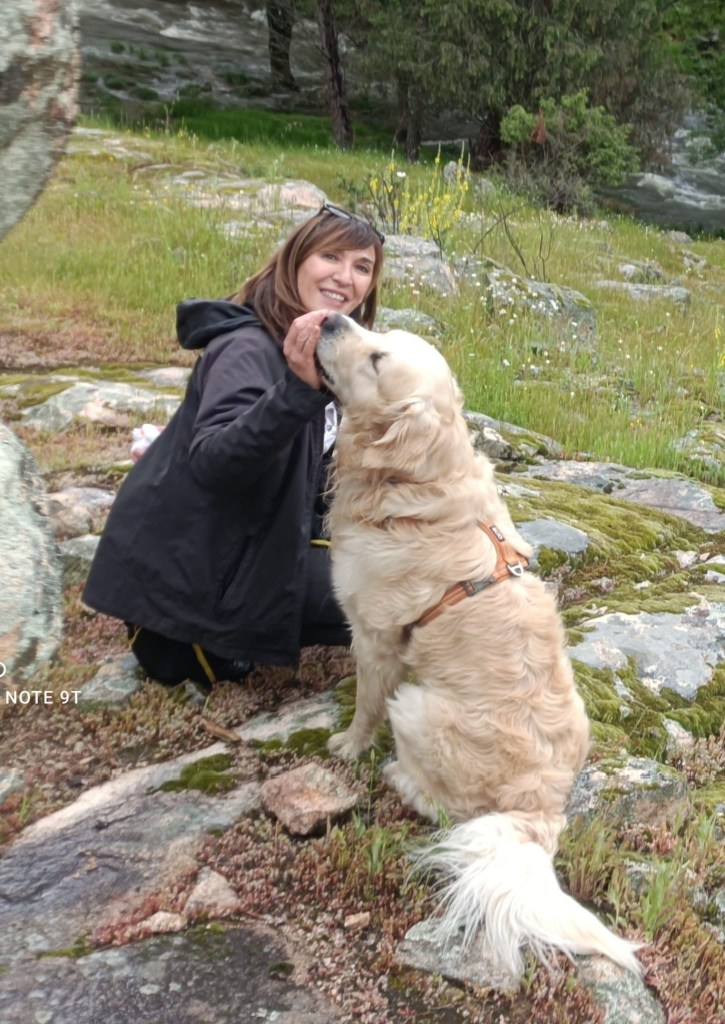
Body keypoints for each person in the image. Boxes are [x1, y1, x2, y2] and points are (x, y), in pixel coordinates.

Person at [82, 203, 385, 688]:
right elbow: (214, 463)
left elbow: (307, 481)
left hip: (245, 555)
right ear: (296, 260)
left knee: (406, 564)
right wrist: (296, 393)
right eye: (331, 257)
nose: (345, 277)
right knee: (403, 595)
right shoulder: (248, 347)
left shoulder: (317, 355)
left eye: (362, 267)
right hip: (196, 595)